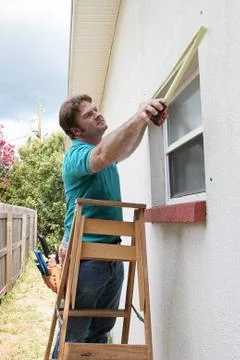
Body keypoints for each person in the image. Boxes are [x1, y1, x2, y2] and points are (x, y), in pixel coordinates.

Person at [52, 94, 165, 358]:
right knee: (74, 334)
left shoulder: (104, 154)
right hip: (87, 257)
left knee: (101, 333)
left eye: (96, 110)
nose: (98, 114)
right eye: (89, 115)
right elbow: (103, 154)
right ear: (76, 131)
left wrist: (144, 120)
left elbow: (122, 149)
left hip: (112, 256)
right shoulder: (78, 156)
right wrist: (138, 116)